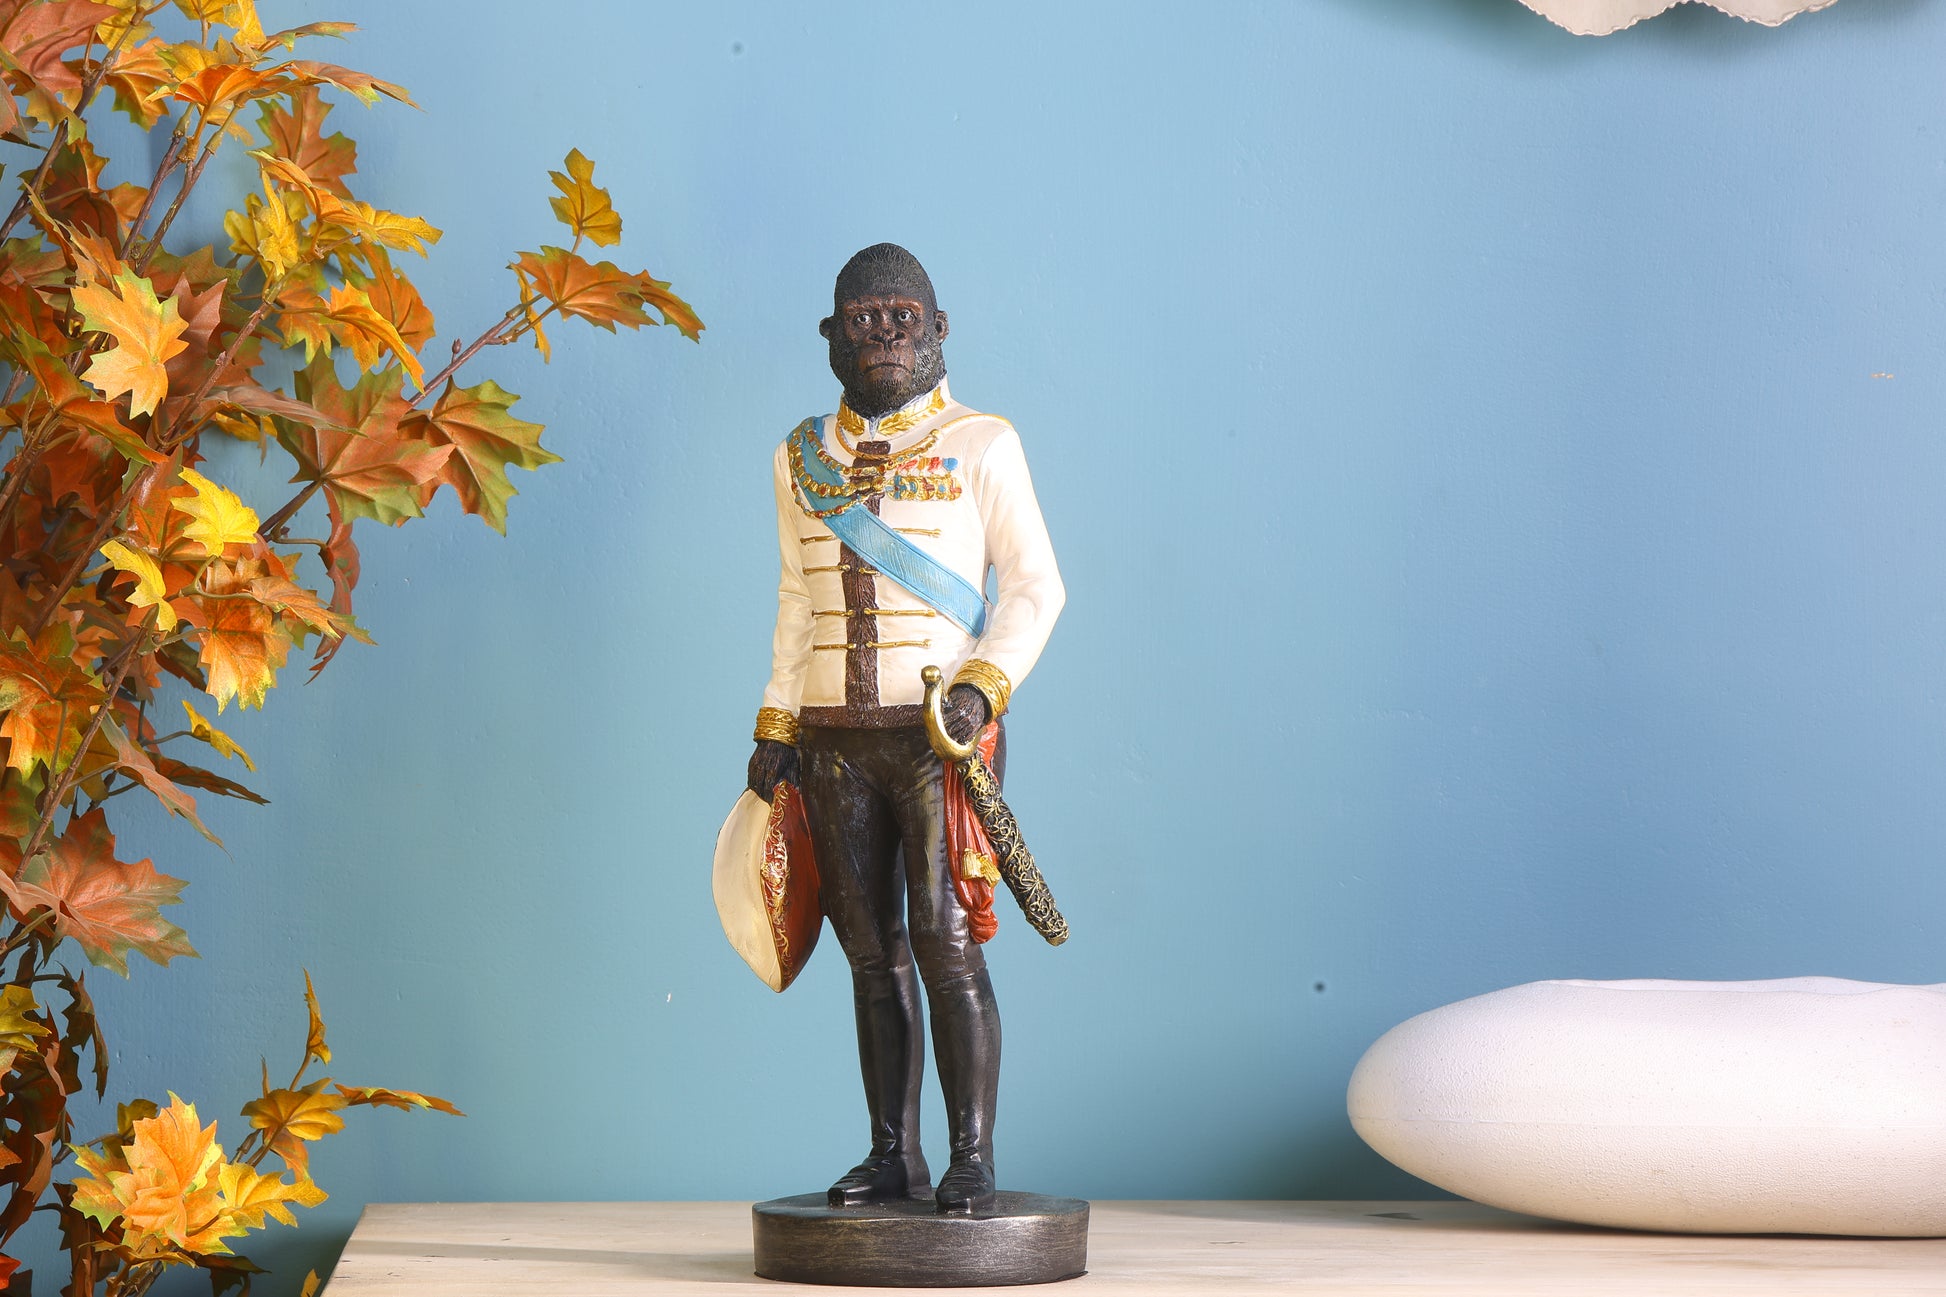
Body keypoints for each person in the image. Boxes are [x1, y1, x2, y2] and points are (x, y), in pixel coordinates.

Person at [744, 243, 1064, 1215]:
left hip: (936, 738)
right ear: (830, 337)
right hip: (832, 739)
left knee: (944, 941)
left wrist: (983, 685)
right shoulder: (797, 458)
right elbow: (796, 599)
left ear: (937, 331)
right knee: (868, 952)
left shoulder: (983, 443)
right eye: (863, 319)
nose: (882, 333)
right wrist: (776, 718)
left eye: (900, 317)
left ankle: (971, 1158)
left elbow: (1035, 587)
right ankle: (893, 1155)